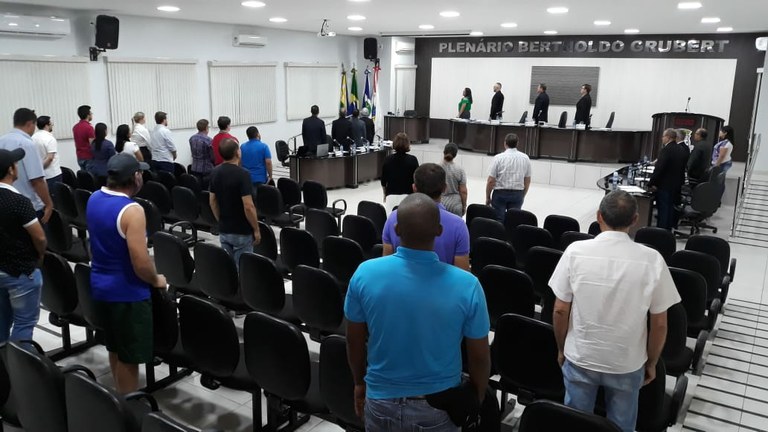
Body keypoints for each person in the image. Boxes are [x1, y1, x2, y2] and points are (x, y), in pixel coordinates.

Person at [345, 192, 491, 432]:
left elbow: (354, 340)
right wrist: (477, 398)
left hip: (380, 399)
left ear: (397, 229)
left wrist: (359, 383)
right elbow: (480, 357)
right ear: (439, 231)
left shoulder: (364, 273)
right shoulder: (468, 285)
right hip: (439, 406)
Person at [550, 190, 680, 432]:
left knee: (576, 425)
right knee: (621, 426)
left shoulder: (575, 251)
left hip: (580, 356)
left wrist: (561, 348)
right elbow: (660, 324)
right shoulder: (652, 260)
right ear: (635, 220)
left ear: (599, 216)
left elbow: (560, 309)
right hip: (627, 362)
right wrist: (652, 362)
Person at [87, 153, 167, 394]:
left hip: (100, 287)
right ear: (135, 177)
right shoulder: (132, 210)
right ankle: (128, 405)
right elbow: (140, 262)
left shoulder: (94, 198)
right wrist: (156, 279)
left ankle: (119, 398)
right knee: (130, 357)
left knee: (115, 348)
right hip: (128, 294)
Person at [383, 163, 470, 270]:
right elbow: (462, 272)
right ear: (444, 188)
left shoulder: (393, 218)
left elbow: (387, 264)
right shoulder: (458, 225)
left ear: (414, 187)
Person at [0, 148, 47, 346]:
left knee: (1, 321)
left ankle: (4, 362)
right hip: (20, 271)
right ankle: (22, 362)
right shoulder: (19, 201)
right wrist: (40, 256)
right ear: (11, 170)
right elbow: (39, 237)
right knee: (24, 323)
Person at [209, 138, 261, 269]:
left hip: (224, 229)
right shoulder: (243, 174)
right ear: (237, 153)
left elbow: (212, 201)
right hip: (242, 230)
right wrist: (256, 229)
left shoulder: (215, 172)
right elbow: (248, 206)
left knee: (228, 268)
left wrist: (220, 220)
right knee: (242, 268)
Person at [0, 108, 53, 223]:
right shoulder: (27, 144)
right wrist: (49, 204)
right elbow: (37, 180)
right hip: (29, 206)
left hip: (4, 203)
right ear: (30, 124)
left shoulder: (1, 140)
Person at [648, 128, 688, 230]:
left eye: (663, 136)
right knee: (670, 207)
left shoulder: (666, 150)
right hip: (676, 184)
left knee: (663, 209)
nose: (662, 138)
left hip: (665, 184)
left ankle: (661, 230)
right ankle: (668, 229)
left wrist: (651, 183)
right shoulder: (681, 149)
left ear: (668, 137)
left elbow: (659, 168)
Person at [486, 133, 532, 220]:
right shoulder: (525, 158)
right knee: (513, 220)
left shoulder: (498, 158)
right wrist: (522, 194)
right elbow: (527, 180)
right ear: (517, 143)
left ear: (505, 143)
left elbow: (491, 180)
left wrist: (488, 197)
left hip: (500, 194)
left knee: (498, 220)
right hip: (517, 194)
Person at [380, 132, 419, 212]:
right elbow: (417, 181)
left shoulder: (388, 159)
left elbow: (383, 181)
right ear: (408, 144)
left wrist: (385, 194)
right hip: (408, 197)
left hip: (391, 196)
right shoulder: (413, 160)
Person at [31, 115, 62, 189]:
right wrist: (41, 168)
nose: (52, 125)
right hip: (52, 174)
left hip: (39, 175)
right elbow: (50, 158)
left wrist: (39, 169)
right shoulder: (50, 139)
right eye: (51, 123)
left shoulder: (33, 138)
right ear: (46, 125)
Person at [441, 143, 468, 217]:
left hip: (440, 203)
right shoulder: (460, 170)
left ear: (444, 152)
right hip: (455, 205)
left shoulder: (436, 168)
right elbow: (463, 191)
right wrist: (464, 206)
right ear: (455, 155)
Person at [189, 119, 215, 188]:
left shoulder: (192, 138)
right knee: (207, 189)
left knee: (198, 188)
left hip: (194, 167)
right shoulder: (208, 140)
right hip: (206, 169)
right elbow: (212, 157)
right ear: (206, 128)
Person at [72, 105, 95, 170]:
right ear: (88, 115)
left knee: (83, 175)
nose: (92, 115)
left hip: (79, 156)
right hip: (88, 157)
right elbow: (92, 144)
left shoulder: (75, 127)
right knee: (90, 175)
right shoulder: (89, 128)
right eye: (91, 113)